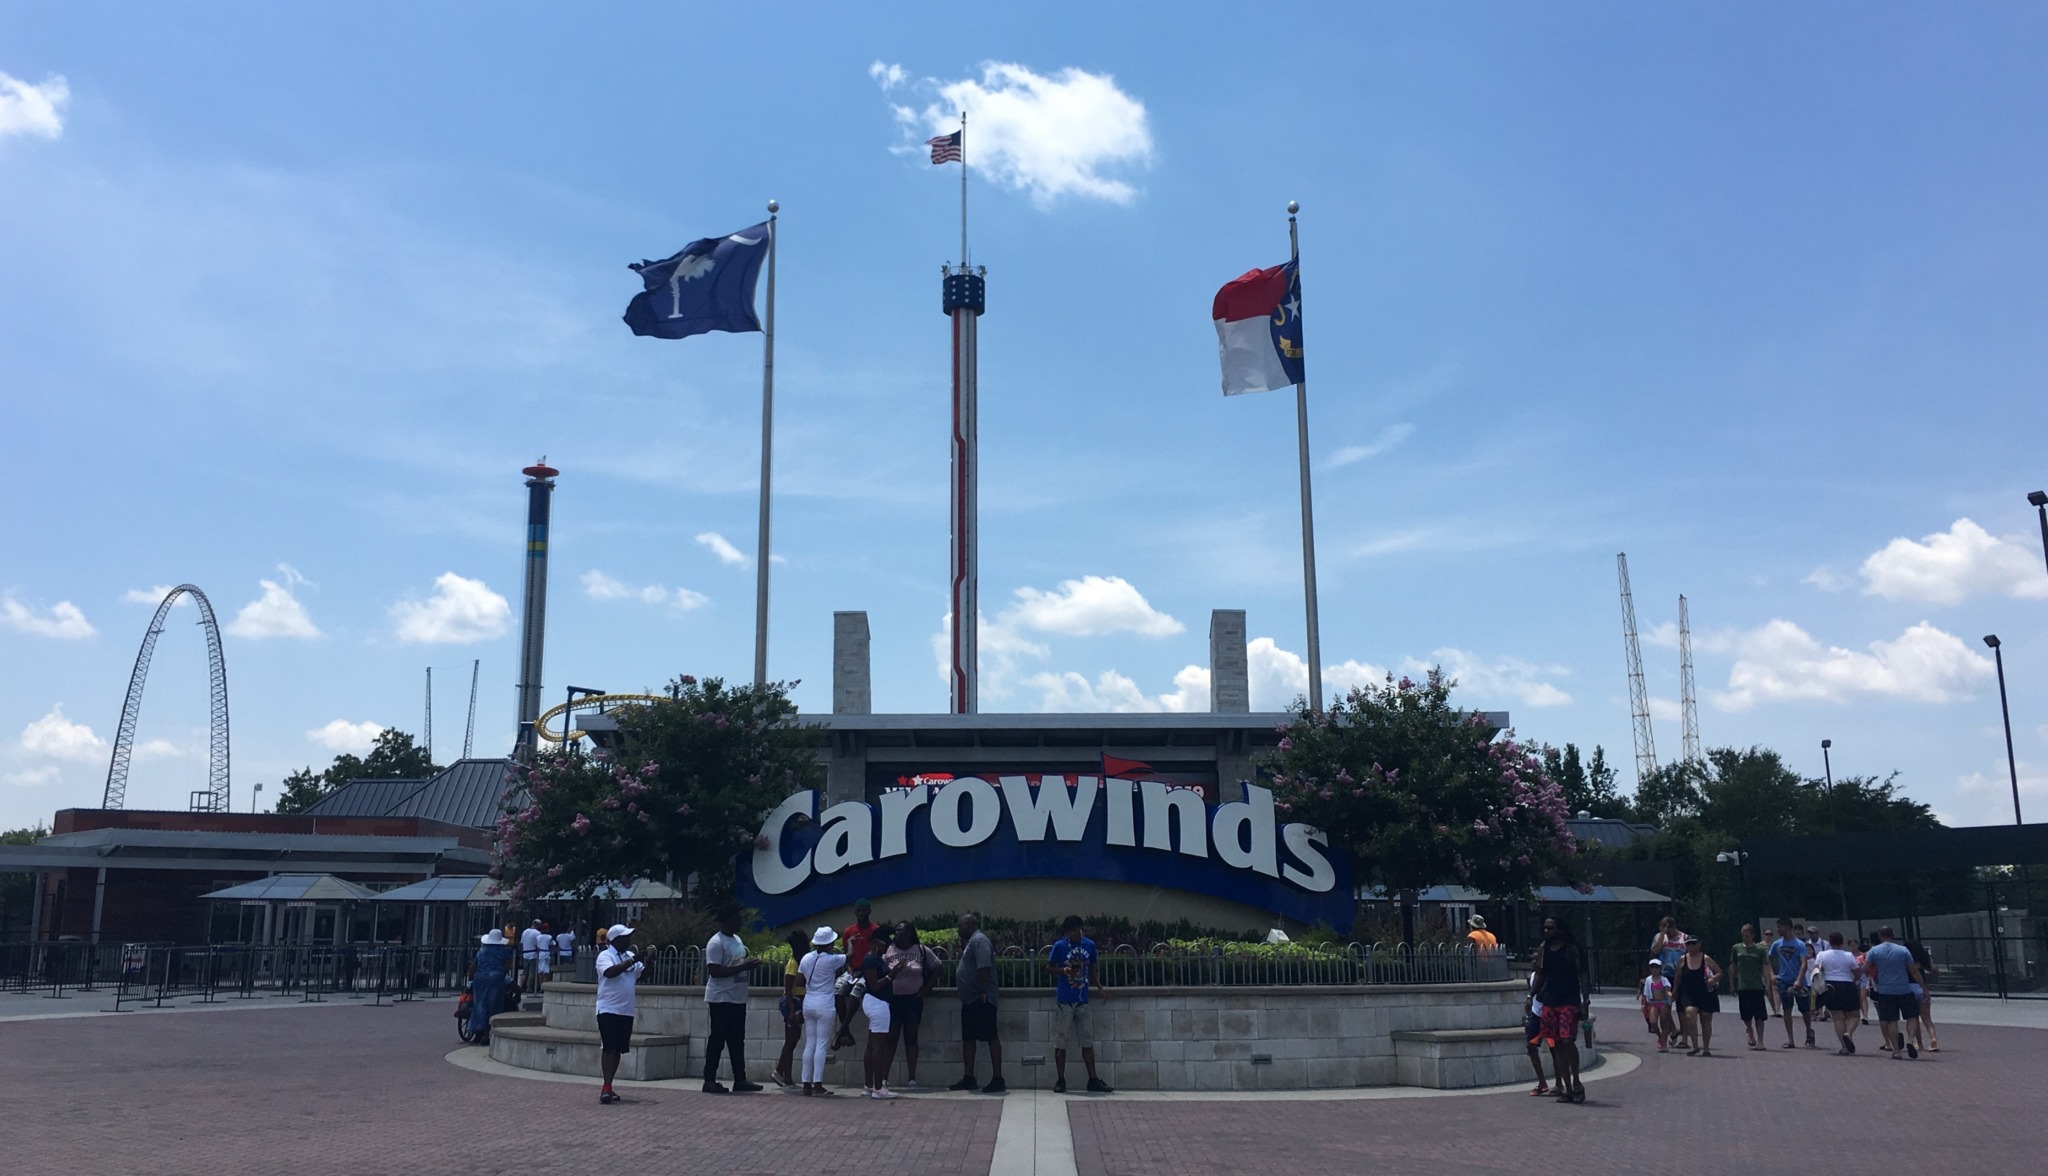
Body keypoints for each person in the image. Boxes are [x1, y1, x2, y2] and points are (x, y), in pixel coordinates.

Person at [1048, 915, 1113, 1094]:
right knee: (1061, 1040)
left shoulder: (1089, 945)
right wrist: (1063, 970)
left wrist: (1099, 987)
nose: (1073, 935)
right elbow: (1048, 967)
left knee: (1087, 1040)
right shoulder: (1060, 946)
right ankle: (1061, 1079)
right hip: (1065, 999)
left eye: (1075, 931)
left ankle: (1092, 1078)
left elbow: (1092, 968)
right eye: (1070, 932)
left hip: (1082, 998)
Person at [702, 903, 762, 1093]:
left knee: (737, 1040)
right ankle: (709, 1079)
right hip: (721, 998)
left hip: (737, 997)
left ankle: (740, 1079)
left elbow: (736, 962)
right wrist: (744, 967)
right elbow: (715, 971)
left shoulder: (736, 939)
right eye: (737, 919)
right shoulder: (715, 943)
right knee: (717, 1039)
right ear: (726, 921)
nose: (740, 922)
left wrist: (748, 963)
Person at [1529, 916, 1589, 1103]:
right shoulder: (1544, 950)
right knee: (1556, 1043)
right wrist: (1531, 996)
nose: (1547, 931)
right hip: (1550, 1001)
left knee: (1567, 1040)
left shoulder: (1571, 949)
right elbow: (1540, 974)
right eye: (1545, 928)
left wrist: (1585, 1000)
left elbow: (1583, 975)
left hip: (1569, 1000)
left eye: (1551, 928)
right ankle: (1567, 1088)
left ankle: (1577, 1082)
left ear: (1560, 930)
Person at [950, 913, 1005, 1094]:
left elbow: (984, 969)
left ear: (968, 925)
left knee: (990, 1036)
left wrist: (982, 991)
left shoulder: (979, 941)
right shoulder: (971, 942)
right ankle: (969, 1077)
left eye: (960, 927)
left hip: (982, 998)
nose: (958, 930)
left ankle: (998, 1078)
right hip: (970, 1000)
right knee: (969, 1038)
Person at [884, 921, 941, 1089]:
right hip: (894, 999)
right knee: (890, 1039)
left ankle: (912, 1078)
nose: (897, 934)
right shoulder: (889, 950)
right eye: (896, 931)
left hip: (912, 1000)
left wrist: (928, 987)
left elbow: (937, 966)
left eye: (901, 931)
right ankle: (884, 1078)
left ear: (909, 933)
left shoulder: (921, 950)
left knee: (911, 1039)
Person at [594, 923, 645, 1104]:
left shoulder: (630, 956)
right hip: (608, 1008)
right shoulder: (605, 956)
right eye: (625, 937)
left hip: (626, 1009)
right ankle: (606, 1087)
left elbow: (642, 975)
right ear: (616, 940)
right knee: (609, 1047)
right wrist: (632, 961)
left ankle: (610, 1084)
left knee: (618, 1049)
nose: (629, 940)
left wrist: (650, 961)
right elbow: (609, 972)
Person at [857, 928, 909, 1097]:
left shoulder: (877, 959)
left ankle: (869, 1085)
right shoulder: (870, 960)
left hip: (878, 1002)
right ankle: (879, 1088)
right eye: (884, 942)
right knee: (879, 1045)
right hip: (877, 1003)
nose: (887, 945)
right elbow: (875, 985)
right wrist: (892, 975)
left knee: (872, 1044)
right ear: (875, 942)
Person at [796, 926, 846, 1096]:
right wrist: (852, 943)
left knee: (810, 1043)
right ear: (830, 943)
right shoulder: (832, 960)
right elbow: (850, 956)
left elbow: (799, 981)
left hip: (809, 1002)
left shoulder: (806, 958)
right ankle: (817, 1084)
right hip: (825, 1003)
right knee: (822, 1045)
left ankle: (806, 1084)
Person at [1864, 926, 1925, 1061]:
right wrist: (1924, 988)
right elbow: (1914, 971)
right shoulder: (1903, 951)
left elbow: (1865, 968)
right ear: (1893, 935)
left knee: (1891, 1020)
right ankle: (1910, 1040)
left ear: (1880, 936)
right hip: (1903, 988)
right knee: (1912, 1016)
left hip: (1885, 990)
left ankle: (1896, 1050)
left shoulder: (1874, 951)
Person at [835, 899, 882, 1051]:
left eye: (864, 911)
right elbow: (846, 956)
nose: (861, 914)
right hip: (852, 970)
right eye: (859, 911)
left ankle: (841, 1031)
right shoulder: (849, 931)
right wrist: (849, 970)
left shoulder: (876, 930)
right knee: (837, 991)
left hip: (868, 972)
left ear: (869, 911)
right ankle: (846, 1032)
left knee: (856, 993)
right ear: (855, 912)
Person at [773, 927, 811, 1088]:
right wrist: (792, 1010)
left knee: (793, 1040)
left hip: (798, 1001)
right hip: (793, 1002)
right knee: (790, 1040)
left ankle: (782, 1072)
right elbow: (788, 989)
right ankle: (783, 1074)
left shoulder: (801, 961)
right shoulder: (793, 963)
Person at [1813, 931, 1862, 1054]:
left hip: (1830, 985)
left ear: (1830, 942)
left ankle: (1844, 1047)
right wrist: (1853, 981)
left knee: (1838, 1018)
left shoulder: (1822, 954)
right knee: (1854, 1015)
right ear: (1842, 942)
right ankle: (1848, 1033)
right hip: (1847, 984)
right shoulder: (1849, 955)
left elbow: (1816, 970)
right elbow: (1857, 972)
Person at [1673, 937, 1722, 1056]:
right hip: (1689, 993)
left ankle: (1706, 1048)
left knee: (1706, 1019)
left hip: (1705, 993)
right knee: (1690, 1014)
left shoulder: (1706, 958)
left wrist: (1713, 979)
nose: (1691, 946)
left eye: (1694, 943)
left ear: (1699, 944)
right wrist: (1674, 991)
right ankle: (1695, 1046)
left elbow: (1719, 972)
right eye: (1688, 944)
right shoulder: (1682, 959)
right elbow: (1678, 977)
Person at [1768, 917, 1813, 1048]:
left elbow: (1804, 963)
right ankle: (1790, 1039)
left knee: (1804, 1010)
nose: (1778, 930)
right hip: (1783, 980)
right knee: (1787, 1009)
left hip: (1799, 982)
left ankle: (1809, 1032)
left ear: (1787, 927)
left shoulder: (1799, 944)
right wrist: (1772, 974)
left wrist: (1799, 980)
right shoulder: (1777, 944)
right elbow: (1768, 960)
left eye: (1780, 927)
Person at [467, 928, 513, 1044]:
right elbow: (507, 968)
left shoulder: (481, 951)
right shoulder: (504, 952)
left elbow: (473, 967)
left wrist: (470, 979)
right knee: (494, 1005)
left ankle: (478, 1029)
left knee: (480, 1004)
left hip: (480, 979)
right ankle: (488, 1032)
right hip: (496, 978)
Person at [1730, 924, 1771, 1051]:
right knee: (1746, 1015)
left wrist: (1768, 983)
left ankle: (1760, 1041)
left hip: (1757, 986)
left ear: (1752, 935)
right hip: (1743, 986)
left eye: (1747, 935)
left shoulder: (1760, 950)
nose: (1744, 937)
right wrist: (1732, 983)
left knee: (1759, 1016)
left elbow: (1765, 966)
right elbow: (1733, 966)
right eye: (1743, 935)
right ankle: (1750, 1030)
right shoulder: (1736, 948)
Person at [1905, 937, 1940, 1051]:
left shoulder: (1905, 959)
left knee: (1913, 1017)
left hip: (1908, 988)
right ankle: (1933, 1038)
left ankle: (1919, 1043)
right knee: (1926, 1017)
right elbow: (1934, 970)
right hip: (1920, 987)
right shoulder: (1921, 960)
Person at [1639, 956, 1675, 1053]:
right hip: (1653, 1003)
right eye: (1652, 967)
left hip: (1662, 1003)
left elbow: (1667, 990)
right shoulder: (1648, 980)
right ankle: (1661, 1037)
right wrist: (1643, 1004)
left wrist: (1671, 996)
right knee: (1653, 1022)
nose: (1654, 969)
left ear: (1660, 969)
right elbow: (1646, 993)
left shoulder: (1664, 980)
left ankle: (1663, 1044)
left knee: (1664, 1023)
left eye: (1657, 967)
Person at [1524, 972, 1551, 1095]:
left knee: (1555, 1049)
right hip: (1536, 1015)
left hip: (1548, 1014)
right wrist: (1528, 1017)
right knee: (1531, 1046)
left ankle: (1559, 1084)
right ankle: (1542, 1082)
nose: (1534, 962)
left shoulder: (1548, 975)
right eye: (1532, 960)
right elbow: (1532, 998)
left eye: (1537, 959)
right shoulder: (1531, 977)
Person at [1649, 915, 1686, 980]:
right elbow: (1655, 952)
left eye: (1668, 931)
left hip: (1681, 974)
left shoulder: (1685, 938)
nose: (1667, 933)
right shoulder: (1659, 937)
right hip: (1664, 974)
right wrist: (1662, 934)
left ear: (1674, 927)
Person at [520, 919, 546, 993]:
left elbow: (521, 943)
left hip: (525, 954)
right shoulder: (538, 933)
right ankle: (529, 987)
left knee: (525, 972)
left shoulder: (525, 932)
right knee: (532, 972)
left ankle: (520, 986)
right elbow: (538, 944)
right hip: (534, 955)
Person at [1761, 928, 1783, 1015]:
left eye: (1770, 934)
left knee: (1775, 988)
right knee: (1768, 989)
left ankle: (1777, 1010)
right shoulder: (1760, 946)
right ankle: (1773, 1008)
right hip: (1764, 969)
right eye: (1767, 934)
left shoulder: (1775, 945)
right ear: (1764, 935)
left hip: (1775, 969)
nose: (1768, 936)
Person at [534, 920, 553, 991]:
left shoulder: (538, 937)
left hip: (540, 954)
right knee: (546, 972)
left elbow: (536, 945)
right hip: (546, 954)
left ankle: (540, 986)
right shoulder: (549, 937)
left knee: (540, 972)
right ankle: (544, 986)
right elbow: (551, 944)